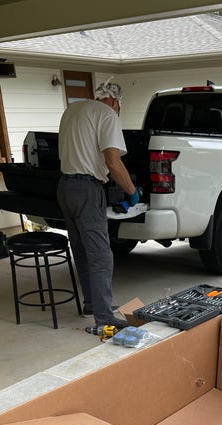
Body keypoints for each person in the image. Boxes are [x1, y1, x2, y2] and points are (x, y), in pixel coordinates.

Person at [57, 78, 139, 335]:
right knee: (101, 255)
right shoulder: (108, 114)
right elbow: (113, 162)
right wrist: (132, 191)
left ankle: (92, 304)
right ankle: (105, 319)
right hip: (87, 190)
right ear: (115, 102)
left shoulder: (72, 109)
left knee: (81, 249)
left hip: (65, 187)